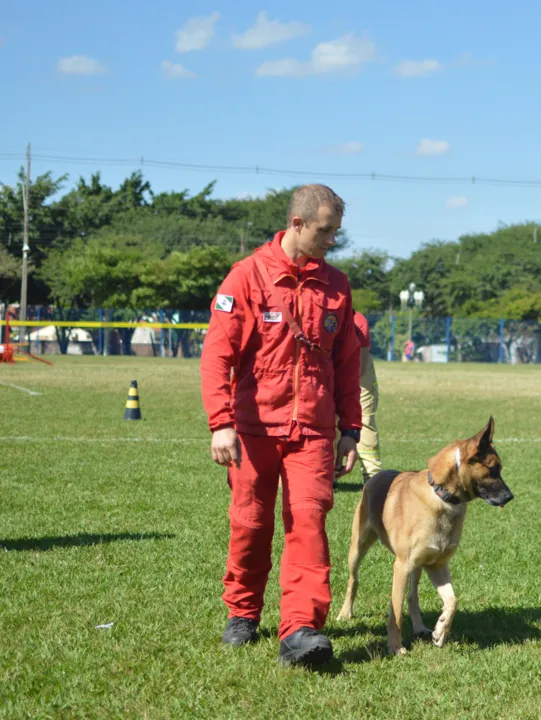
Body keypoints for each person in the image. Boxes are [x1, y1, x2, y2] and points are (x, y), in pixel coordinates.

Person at [200, 184, 363, 668]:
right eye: (325, 230)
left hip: (312, 429)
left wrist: (350, 427)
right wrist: (221, 423)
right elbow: (217, 355)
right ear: (297, 224)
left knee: (309, 523)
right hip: (252, 428)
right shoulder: (247, 277)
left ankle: (301, 629)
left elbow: (347, 362)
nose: (332, 240)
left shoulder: (336, 285)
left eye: (336, 231)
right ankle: (243, 612)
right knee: (251, 523)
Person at [352, 310, 383, 483]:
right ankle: (327, 473)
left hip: (360, 377)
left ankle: (373, 477)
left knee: (365, 422)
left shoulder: (358, 321)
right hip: (331, 373)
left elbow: (361, 366)